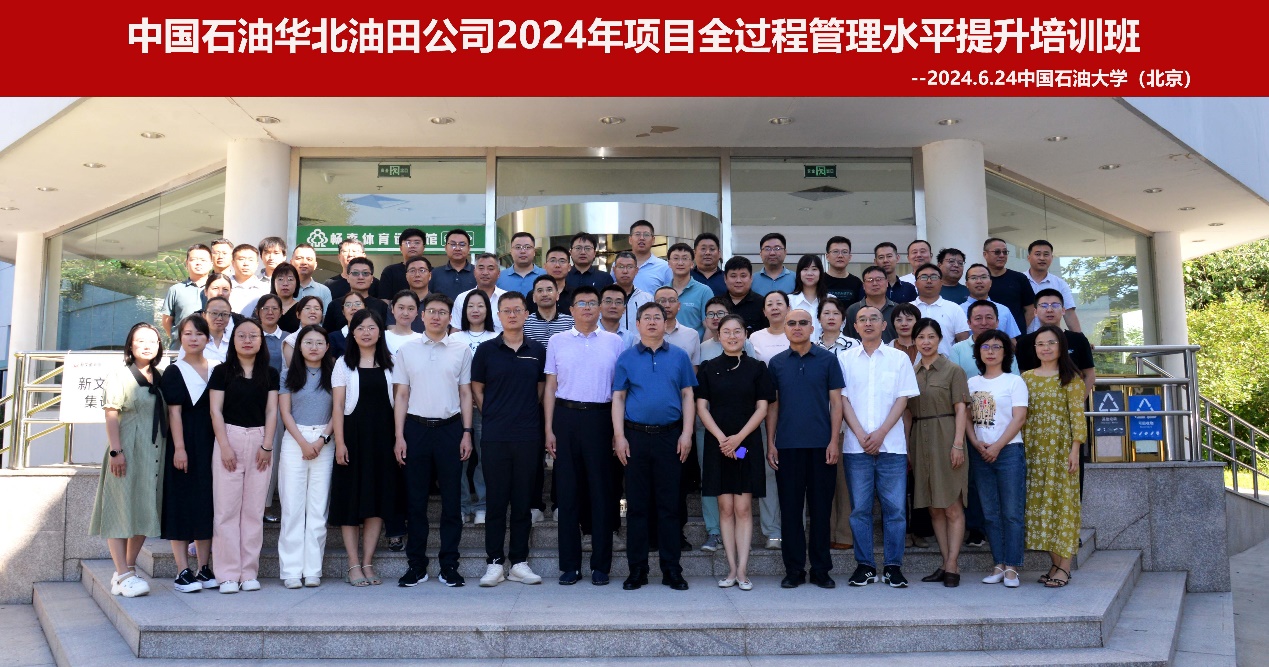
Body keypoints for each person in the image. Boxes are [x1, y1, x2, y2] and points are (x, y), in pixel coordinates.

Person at [544, 285, 627, 586]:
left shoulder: (615, 342)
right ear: (571, 309)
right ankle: (570, 565)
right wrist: (548, 428)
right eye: (582, 303)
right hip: (566, 417)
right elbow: (550, 388)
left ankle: (601, 565)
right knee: (568, 494)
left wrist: (618, 431)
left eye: (593, 303)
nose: (588, 308)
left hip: (601, 418)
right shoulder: (557, 341)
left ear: (600, 308)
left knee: (602, 494)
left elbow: (620, 391)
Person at [612, 303, 697, 591]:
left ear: (665, 322)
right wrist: (619, 436)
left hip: (670, 438)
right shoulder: (626, 357)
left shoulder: (679, 356)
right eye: (646, 318)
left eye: (657, 318)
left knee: (669, 506)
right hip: (635, 438)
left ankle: (672, 569)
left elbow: (688, 396)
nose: (651, 322)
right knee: (637, 507)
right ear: (637, 324)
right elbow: (619, 398)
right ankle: (637, 570)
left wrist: (687, 434)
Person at [394, 293, 474, 588]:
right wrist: (399, 435)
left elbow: (465, 393)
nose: (436, 316)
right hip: (415, 429)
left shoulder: (461, 349)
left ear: (450, 318)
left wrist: (467, 432)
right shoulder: (407, 350)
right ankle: (416, 565)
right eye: (431, 311)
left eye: (442, 312)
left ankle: (449, 565)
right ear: (422, 315)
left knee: (452, 502)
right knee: (416, 502)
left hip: (450, 429)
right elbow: (401, 394)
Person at [839, 305, 920, 588]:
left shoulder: (899, 358)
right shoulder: (845, 359)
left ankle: (893, 566)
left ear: (884, 325)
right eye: (862, 319)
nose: (868, 323)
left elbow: (903, 399)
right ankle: (865, 566)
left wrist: (881, 433)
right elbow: (842, 399)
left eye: (874, 318)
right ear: (855, 327)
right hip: (856, 446)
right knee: (859, 510)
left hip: (892, 446)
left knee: (895, 510)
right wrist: (862, 434)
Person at [473, 291, 547, 587]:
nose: (512, 315)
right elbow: (477, 388)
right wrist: (493, 413)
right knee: (496, 501)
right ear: (499, 315)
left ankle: (518, 562)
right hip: (495, 435)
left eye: (518, 310)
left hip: (527, 434)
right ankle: (494, 563)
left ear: (527, 314)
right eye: (507, 310)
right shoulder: (486, 350)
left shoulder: (537, 350)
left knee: (522, 501)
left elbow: (540, 390)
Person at [767, 308, 844, 589]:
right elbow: (773, 406)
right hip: (787, 447)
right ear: (785, 328)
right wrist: (771, 442)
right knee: (790, 512)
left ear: (813, 328)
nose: (797, 327)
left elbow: (837, 403)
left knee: (821, 512)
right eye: (792, 323)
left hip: (822, 446)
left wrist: (834, 441)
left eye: (803, 323)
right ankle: (794, 570)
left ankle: (821, 570)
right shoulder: (776, 363)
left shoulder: (828, 360)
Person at [696, 314, 774, 590]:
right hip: (718, 446)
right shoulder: (709, 367)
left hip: (745, 446)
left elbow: (762, 408)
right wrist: (722, 439)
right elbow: (701, 407)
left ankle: (743, 570)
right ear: (718, 336)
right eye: (726, 332)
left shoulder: (757, 368)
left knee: (742, 507)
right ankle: (730, 568)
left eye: (737, 331)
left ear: (745, 335)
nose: (732, 336)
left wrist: (738, 439)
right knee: (725, 508)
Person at [90, 322, 166, 598]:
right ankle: (122, 572)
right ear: (130, 345)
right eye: (140, 340)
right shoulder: (120, 375)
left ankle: (127, 570)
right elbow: (111, 414)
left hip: (153, 453)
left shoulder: (160, 376)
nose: (147, 345)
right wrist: (116, 451)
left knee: (145, 508)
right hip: (126, 450)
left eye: (152, 341)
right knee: (120, 508)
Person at [329, 310, 402, 587]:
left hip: (382, 439)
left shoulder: (392, 363)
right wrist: (339, 442)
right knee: (350, 500)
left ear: (380, 332)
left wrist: (398, 438)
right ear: (353, 332)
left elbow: (399, 401)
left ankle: (368, 561)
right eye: (360, 328)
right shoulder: (343, 364)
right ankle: (353, 564)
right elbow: (337, 406)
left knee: (377, 500)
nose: (366, 332)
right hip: (353, 437)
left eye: (371, 327)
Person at [207, 318, 279, 593]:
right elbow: (215, 411)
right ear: (233, 340)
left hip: (260, 439)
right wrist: (224, 445)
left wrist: (267, 445)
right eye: (241, 336)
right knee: (226, 510)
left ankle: (248, 572)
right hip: (229, 437)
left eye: (253, 336)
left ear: (261, 341)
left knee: (253, 510)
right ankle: (227, 574)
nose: (247, 340)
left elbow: (272, 411)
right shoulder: (221, 371)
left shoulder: (269, 373)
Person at [907, 318, 971, 588]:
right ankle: (945, 562)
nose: (926, 342)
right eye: (921, 337)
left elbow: (961, 409)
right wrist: (907, 448)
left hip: (946, 437)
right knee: (933, 507)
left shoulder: (953, 370)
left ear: (940, 339)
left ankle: (953, 564)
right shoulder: (910, 372)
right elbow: (907, 412)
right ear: (915, 341)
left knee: (952, 505)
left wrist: (958, 444)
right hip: (920, 439)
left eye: (931, 337)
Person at [1023, 325, 1088, 588]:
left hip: (1061, 451)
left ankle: (1064, 567)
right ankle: (1054, 564)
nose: (1046, 348)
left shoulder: (1071, 378)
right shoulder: (1026, 378)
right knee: (1039, 507)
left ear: (1061, 346)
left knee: (1063, 507)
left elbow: (1077, 417)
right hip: (1033, 452)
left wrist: (1075, 450)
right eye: (1040, 344)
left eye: (1051, 343)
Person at [161, 315, 219, 592]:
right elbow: (174, 413)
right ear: (180, 337)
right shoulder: (174, 371)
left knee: (207, 502)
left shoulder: (218, 369)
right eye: (187, 334)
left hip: (212, 443)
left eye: (198, 334)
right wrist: (180, 448)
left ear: (208, 338)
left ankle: (204, 567)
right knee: (181, 502)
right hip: (183, 443)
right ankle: (182, 570)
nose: (193, 338)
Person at [966, 330, 1029, 588]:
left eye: (996, 347)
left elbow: (1019, 418)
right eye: (985, 347)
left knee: (1012, 512)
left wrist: (997, 446)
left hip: (1009, 451)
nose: (991, 351)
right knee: (990, 512)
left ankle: (1012, 567)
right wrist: (975, 443)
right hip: (980, 452)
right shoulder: (971, 383)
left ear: (1006, 352)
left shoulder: (1014, 382)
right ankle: (998, 564)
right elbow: (966, 418)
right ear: (978, 352)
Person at [277, 325, 335, 589]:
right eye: (308, 342)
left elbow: (337, 411)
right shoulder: (288, 374)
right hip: (295, 440)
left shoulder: (334, 373)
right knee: (292, 506)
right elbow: (285, 413)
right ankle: (291, 570)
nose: (314, 347)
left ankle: (313, 569)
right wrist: (303, 442)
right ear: (299, 346)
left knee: (318, 508)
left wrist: (321, 440)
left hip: (325, 440)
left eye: (319, 343)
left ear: (327, 347)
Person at [449, 289, 498, 527]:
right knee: (459, 460)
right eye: (470, 306)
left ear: (488, 310)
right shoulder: (454, 338)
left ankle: (483, 505)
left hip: (487, 408)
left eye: (480, 305)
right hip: (457, 409)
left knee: (485, 460)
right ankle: (461, 504)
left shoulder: (496, 337)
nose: (475, 310)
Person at [814, 297, 860, 551]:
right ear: (818, 318)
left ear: (843, 319)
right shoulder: (810, 346)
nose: (831, 317)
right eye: (826, 313)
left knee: (844, 481)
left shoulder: (855, 346)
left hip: (847, 422)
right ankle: (825, 532)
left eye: (835, 313)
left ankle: (844, 534)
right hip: (818, 421)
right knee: (821, 482)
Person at [747, 291, 790, 552]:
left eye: (779, 303)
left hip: (795, 411)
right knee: (769, 470)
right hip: (763, 411)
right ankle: (772, 530)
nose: (774, 308)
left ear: (788, 308)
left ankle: (794, 527)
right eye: (769, 304)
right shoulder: (754, 338)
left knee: (795, 473)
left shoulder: (798, 334)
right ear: (763, 311)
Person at [1015, 289, 1096, 396]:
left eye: (1055, 305)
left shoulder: (1078, 339)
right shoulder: (1024, 342)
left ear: (1063, 310)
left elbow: (1089, 375)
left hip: (1072, 400)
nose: (1049, 310)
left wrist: (1078, 400)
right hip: (1035, 401)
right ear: (1035, 312)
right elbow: (1021, 375)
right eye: (1043, 306)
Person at [911, 263, 971, 356]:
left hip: (947, 363)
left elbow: (963, 343)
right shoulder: (908, 309)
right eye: (924, 277)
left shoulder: (954, 309)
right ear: (916, 283)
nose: (929, 281)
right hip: (913, 364)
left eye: (934, 277)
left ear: (941, 282)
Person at [953, 301, 1023, 379]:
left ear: (997, 322)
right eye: (978, 318)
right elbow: (954, 380)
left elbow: (1014, 378)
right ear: (969, 323)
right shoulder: (957, 349)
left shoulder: (1005, 348)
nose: (984, 323)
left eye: (989, 318)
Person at [1025, 240, 1082, 334]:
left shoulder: (1060, 284)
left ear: (1051, 258)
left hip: (1053, 338)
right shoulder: (1018, 280)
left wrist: (1080, 338)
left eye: (1046, 254)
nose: (1042, 258)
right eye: (1038, 254)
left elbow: (1069, 314)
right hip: (1024, 338)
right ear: (1029, 257)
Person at [983, 237, 1037, 332]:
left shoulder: (1019, 278)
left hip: (1015, 337)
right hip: (986, 335)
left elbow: (1030, 309)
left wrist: (1018, 329)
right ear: (985, 254)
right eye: (997, 252)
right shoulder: (980, 280)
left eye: (1005, 252)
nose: (1002, 255)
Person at [324, 257, 389, 332]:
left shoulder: (382, 306)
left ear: (372, 279)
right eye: (355, 273)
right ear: (347, 277)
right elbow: (327, 334)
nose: (360, 277)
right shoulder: (335, 305)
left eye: (365, 273)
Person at [161, 243, 212, 337]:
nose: (198, 263)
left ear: (211, 264)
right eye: (193, 259)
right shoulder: (175, 290)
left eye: (203, 260)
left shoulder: (217, 290)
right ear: (187, 263)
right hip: (180, 345)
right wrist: (178, 339)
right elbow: (166, 321)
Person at [961, 263, 1023, 339]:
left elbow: (1011, 341)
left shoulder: (1004, 310)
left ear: (990, 283)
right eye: (974, 278)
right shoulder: (958, 310)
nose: (979, 281)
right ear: (967, 284)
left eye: (983, 277)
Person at [452, 253, 508, 333]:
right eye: (481, 268)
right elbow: (456, 329)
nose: (485, 273)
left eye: (490, 269)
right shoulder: (462, 298)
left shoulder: (507, 299)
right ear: (474, 272)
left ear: (498, 273)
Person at [666, 242, 713, 336]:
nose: (680, 263)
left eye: (685, 258)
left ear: (692, 264)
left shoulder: (704, 291)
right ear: (669, 263)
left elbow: (710, 327)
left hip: (694, 345)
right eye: (676, 258)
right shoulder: (662, 292)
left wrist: (702, 346)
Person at [845, 266, 897, 342]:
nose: (875, 283)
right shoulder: (853, 310)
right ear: (863, 285)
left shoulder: (897, 310)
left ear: (887, 283)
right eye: (870, 280)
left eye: (879, 279)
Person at [525, 275, 575, 345]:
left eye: (549, 290)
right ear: (533, 297)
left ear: (557, 295)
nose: (545, 294)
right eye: (540, 291)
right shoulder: (525, 324)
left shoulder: (571, 323)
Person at [723, 256, 768, 335]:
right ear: (725, 278)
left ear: (751, 278)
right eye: (733, 276)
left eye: (743, 276)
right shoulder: (718, 303)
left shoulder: (762, 303)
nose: (738, 280)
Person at [377, 228, 426, 299]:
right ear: (400, 248)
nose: (412, 246)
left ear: (423, 248)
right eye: (408, 243)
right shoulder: (390, 271)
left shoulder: (433, 272)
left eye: (417, 242)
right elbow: (384, 300)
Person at [429, 229, 477, 299]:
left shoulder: (478, 272)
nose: (457, 248)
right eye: (453, 244)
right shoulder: (435, 273)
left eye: (462, 245)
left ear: (469, 248)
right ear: (445, 248)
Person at [611, 251, 652, 331]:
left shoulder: (647, 299)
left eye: (629, 267)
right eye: (621, 266)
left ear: (636, 270)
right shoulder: (605, 298)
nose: (625, 271)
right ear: (614, 270)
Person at [788, 254, 827, 339]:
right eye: (805, 269)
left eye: (814, 269)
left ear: (820, 272)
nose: (809, 273)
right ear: (799, 273)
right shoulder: (789, 300)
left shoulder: (830, 300)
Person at [184, 296, 233, 363]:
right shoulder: (193, 341)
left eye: (225, 314)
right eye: (214, 313)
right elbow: (182, 366)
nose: (219, 318)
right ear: (204, 315)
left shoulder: (234, 342)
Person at [626, 220, 671, 293]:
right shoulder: (619, 265)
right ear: (630, 239)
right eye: (637, 234)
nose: (641, 238)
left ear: (653, 240)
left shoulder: (665, 267)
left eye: (646, 235)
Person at [388, 256, 430, 333]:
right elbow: (393, 333)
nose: (417, 275)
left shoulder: (437, 303)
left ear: (430, 275)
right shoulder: (396, 302)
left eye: (422, 270)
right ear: (406, 276)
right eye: (412, 271)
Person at [281, 296, 325, 365]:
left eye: (317, 309)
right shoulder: (291, 340)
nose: (312, 312)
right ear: (298, 314)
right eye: (307, 308)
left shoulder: (327, 338)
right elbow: (292, 368)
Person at [227, 244, 268, 314]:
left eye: (250, 260)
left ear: (257, 264)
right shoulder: (224, 288)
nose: (246, 263)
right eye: (241, 259)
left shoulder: (266, 288)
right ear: (233, 263)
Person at [822, 236, 864, 304]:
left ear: (850, 257)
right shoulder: (819, 281)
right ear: (827, 256)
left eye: (844, 252)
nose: (840, 256)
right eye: (835, 251)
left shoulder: (857, 283)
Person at [291, 243, 332, 311]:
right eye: (299, 258)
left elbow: (326, 317)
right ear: (291, 262)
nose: (304, 262)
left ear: (315, 265)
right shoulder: (283, 289)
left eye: (309, 259)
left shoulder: (324, 291)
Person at [326, 292, 364, 359]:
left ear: (365, 308)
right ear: (343, 312)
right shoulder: (333, 338)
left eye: (358, 304)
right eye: (348, 305)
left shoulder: (374, 334)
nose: (353, 308)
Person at [691, 232, 727, 296]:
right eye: (703, 249)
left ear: (719, 253)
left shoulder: (727, 278)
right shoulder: (687, 277)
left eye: (712, 249)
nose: (708, 253)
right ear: (694, 253)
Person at [270, 262, 303, 332]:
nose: (285, 283)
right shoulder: (265, 306)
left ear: (297, 283)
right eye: (280, 279)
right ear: (273, 282)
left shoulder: (301, 308)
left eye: (290, 279)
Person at [543, 245, 574, 310]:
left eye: (562, 261)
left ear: (569, 267)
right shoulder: (535, 295)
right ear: (545, 266)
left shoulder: (575, 295)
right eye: (552, 261)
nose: (557, 265)